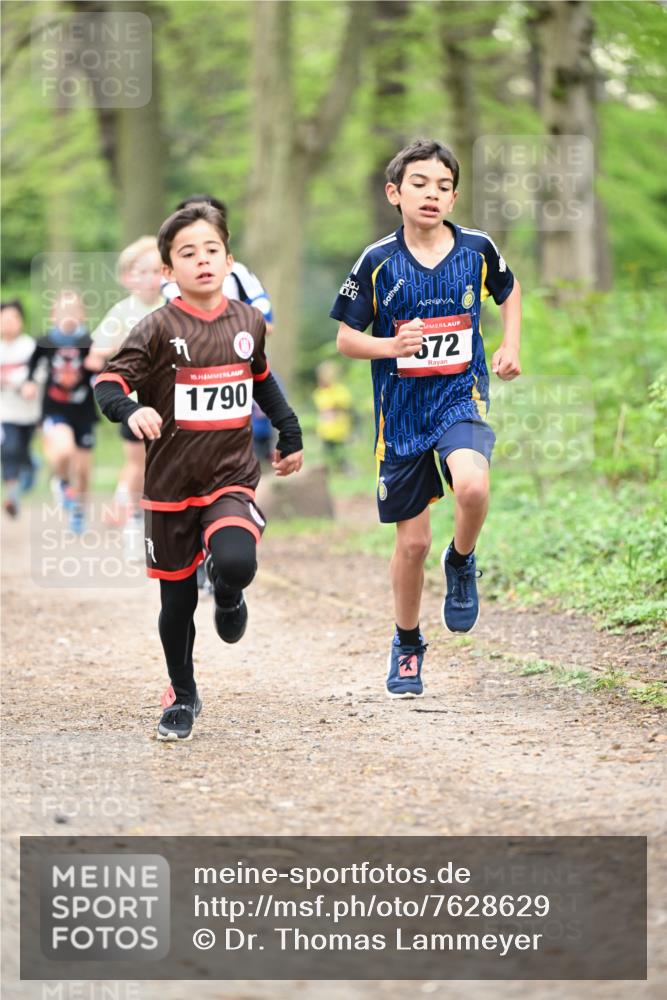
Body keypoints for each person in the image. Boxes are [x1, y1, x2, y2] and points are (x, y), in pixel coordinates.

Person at [95, 202, 303, 742]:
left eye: (212, 250)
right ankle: (182, 695)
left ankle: (230, 592)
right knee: (177, 602)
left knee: (235, 560)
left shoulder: (248, 321)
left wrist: (290, 430)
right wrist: (132, 409)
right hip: (169, 486)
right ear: (168, 271)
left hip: (230, 475)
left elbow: (262, 379)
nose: (203, 260)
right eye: (188, 253)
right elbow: (108, 385)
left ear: (229, 259)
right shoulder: (156, 328)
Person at [330, 138, 521, 699]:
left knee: (473, 486)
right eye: (419, 184)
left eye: (443, 186)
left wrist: (510, 345)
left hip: (461, 396)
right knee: (410, 546)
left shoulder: (478, 248)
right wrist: (391, 346)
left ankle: (461, 560)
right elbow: (344, 339)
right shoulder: (376, 260)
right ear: (395, 193)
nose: (432, 194)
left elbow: (509, 292)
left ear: (454, 195)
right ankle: (407, 642)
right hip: (402, 416)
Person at [87, 237, 164, 544]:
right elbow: (95, 352)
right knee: (139, 463)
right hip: (133, 402)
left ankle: (162, 522)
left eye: (156, 271)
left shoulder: (173, 306)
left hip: (172, 401)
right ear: (127, 278)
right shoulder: (122, 311)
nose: (149, 278)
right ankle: (132, 517)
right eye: (141, 272)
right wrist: (129, 346)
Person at [23, 290, 98, 533]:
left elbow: (100, 369)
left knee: (84, 472)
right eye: (63, 311)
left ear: (82, 315)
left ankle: (78, 513)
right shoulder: (45, 341)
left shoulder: (89, 341)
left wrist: (99, 376)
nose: (69, 316)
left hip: (84, 411)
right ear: (54, 315)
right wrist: (30, 383)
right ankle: (62, 481)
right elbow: (32, 366)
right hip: (55, 408)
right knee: (64, 451)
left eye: (74, 311)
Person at [0, 300, 40, 517]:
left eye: (13, 318)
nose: (8, 324)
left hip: (29, 413)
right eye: (4, 319)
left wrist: (25, 382)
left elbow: (40, 374)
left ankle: (32, 464)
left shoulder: (30, 347)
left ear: (21, 321)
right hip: (5, 412)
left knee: (22, 451)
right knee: (9, 448)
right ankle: (12, 494)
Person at [313, 360, 354, 472]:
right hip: (325, 431)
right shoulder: (319, 392)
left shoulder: (340, 390)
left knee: (342, 455)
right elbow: (322, 410)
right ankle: (332, 472)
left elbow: (345, 405)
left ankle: (345, 471)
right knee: (328, 456)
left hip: (340, 430)